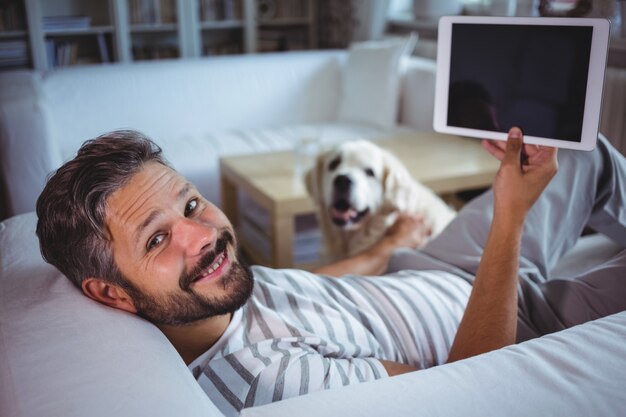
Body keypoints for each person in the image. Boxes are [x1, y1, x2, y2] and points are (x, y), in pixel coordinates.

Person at [35, 127, 626, 417]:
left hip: (426, 268)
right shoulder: (268, 381)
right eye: (158, 238)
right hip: (508, 319)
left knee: (578, 148)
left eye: (191, 205)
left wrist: (384, 249)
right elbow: (471, 387)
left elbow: (301, 289)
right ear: (109, 292)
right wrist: (508, 222)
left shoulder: (210, 297)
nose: (204, 233)